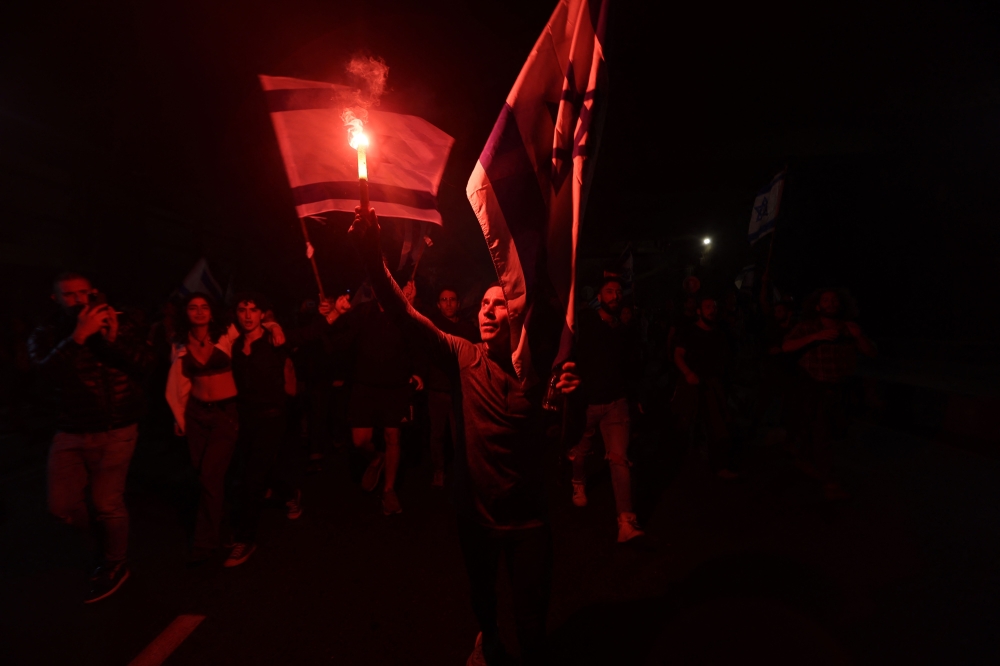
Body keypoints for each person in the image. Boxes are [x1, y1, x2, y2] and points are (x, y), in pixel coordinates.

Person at [348, 207, 580, 666]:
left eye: (500, 304)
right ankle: (489, 640)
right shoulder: (461, 355)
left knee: (532, 624)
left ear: (518, 315)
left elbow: (563, 441)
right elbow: (402, 312)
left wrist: (571, 398)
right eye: (484, 304)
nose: (488, 311)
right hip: (475, 517)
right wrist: (372, 256)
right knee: (484, 601)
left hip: (529, 522)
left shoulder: (541, 372)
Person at [28, 272, 154, 602]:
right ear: (56, 298)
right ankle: (102, 542)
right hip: (70, 430)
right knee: (61, 507)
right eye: (69, 295)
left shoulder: (118, 322)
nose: (79, 300)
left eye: (84, 293)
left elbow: (146, 365)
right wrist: (78, 338)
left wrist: (114, 341)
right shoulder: (46, 333)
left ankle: (114, 562)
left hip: (117, 428)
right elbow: (43, 378)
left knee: (106, 502)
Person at [224, 292, 348, 567]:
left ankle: (245, 539)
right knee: (261, 473)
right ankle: (290, 494)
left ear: (262, 314)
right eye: (243, 310)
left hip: (274, 417)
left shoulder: (275, 340)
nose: (247, 315)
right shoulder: (234, 346)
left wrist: (335, 312)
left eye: (253, 310)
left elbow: (309, 333)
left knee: (253, 478)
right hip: (246, 419)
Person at [165, 292, 284, 564]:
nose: (198, 312)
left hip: (224, 416)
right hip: (196, 416)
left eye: (204, 307)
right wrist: (179, 417)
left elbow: (255, 321)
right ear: (186, 313)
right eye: (193, 308)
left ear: (212, 311)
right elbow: (179, 383)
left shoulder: (225, 334)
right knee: (205, 476)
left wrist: (275, 325)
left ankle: (205, 542)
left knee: (210, 476)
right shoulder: (179, 343)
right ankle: (223, 523)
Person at [568, 277, 644, 542]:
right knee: (581, 450)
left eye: (618, 292)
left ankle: (626, 521)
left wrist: (635, 396)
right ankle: (578, 482)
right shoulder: (587, 322)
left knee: (619, 459)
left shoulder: (623, 331)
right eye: (609, 292)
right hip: (588, 401)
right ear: (599, 297)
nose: (615, 296)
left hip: (616, 403)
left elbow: (628, 366)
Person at [339, 279, 423, 515]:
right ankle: (377, 457)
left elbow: (418, 341)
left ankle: (388, 490)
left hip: (396, 386)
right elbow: (343, 340)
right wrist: (335, 314)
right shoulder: (364, 312)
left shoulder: (404, 313)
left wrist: (417, 371)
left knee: (393, 436)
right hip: (364, 385)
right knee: (359, 441)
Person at [782, 288, 875, 499]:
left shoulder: (848, 329)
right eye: (826, 300)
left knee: (834, 431)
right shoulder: (807, 327)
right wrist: (816, 336)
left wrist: (859, 336)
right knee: (822, 433)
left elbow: (870, 352)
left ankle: (804, 454)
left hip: (841, 389)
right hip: (814, 388)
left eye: (834, 300)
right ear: (817, 306)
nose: (830, 303)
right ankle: (830, 482)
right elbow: (786, 346)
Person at [672, 296, 737, 477]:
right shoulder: (689, 331)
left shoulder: (719, 334)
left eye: (714, 307)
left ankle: (720, 466)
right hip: (691, 382)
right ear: (699, 311)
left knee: (718, 424)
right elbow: (678, 354)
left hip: (713, 384)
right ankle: (681, 466)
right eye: (707, 307)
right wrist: (688, 373)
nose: (712, 310)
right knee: (686, 424)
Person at [426, 286, 480, 486]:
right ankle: (439, 470)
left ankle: (463, 471)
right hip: (438, 389)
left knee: (462, 434)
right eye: (444, 299)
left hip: (462, 390)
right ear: (438, 305)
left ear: (458, 303)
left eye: (452, 299)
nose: (448, 303)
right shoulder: (432, 327)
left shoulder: (468, 329)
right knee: (437, 433)